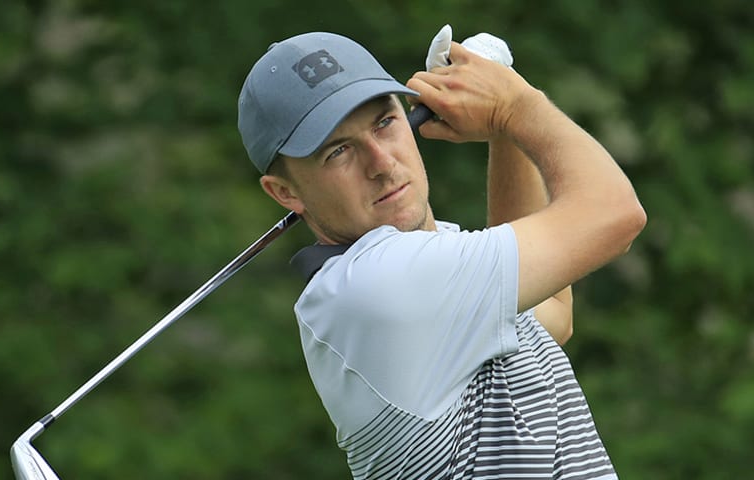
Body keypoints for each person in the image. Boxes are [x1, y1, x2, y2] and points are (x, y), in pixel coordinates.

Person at [237, 29, 645, 480]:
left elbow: (550, 314)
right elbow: (615, 215)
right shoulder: (375, 287)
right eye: (339, 152)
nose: (382, 162)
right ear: (285, 192)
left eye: (384, 123)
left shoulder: (432, 259)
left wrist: (503, 132)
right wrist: (516, 104)